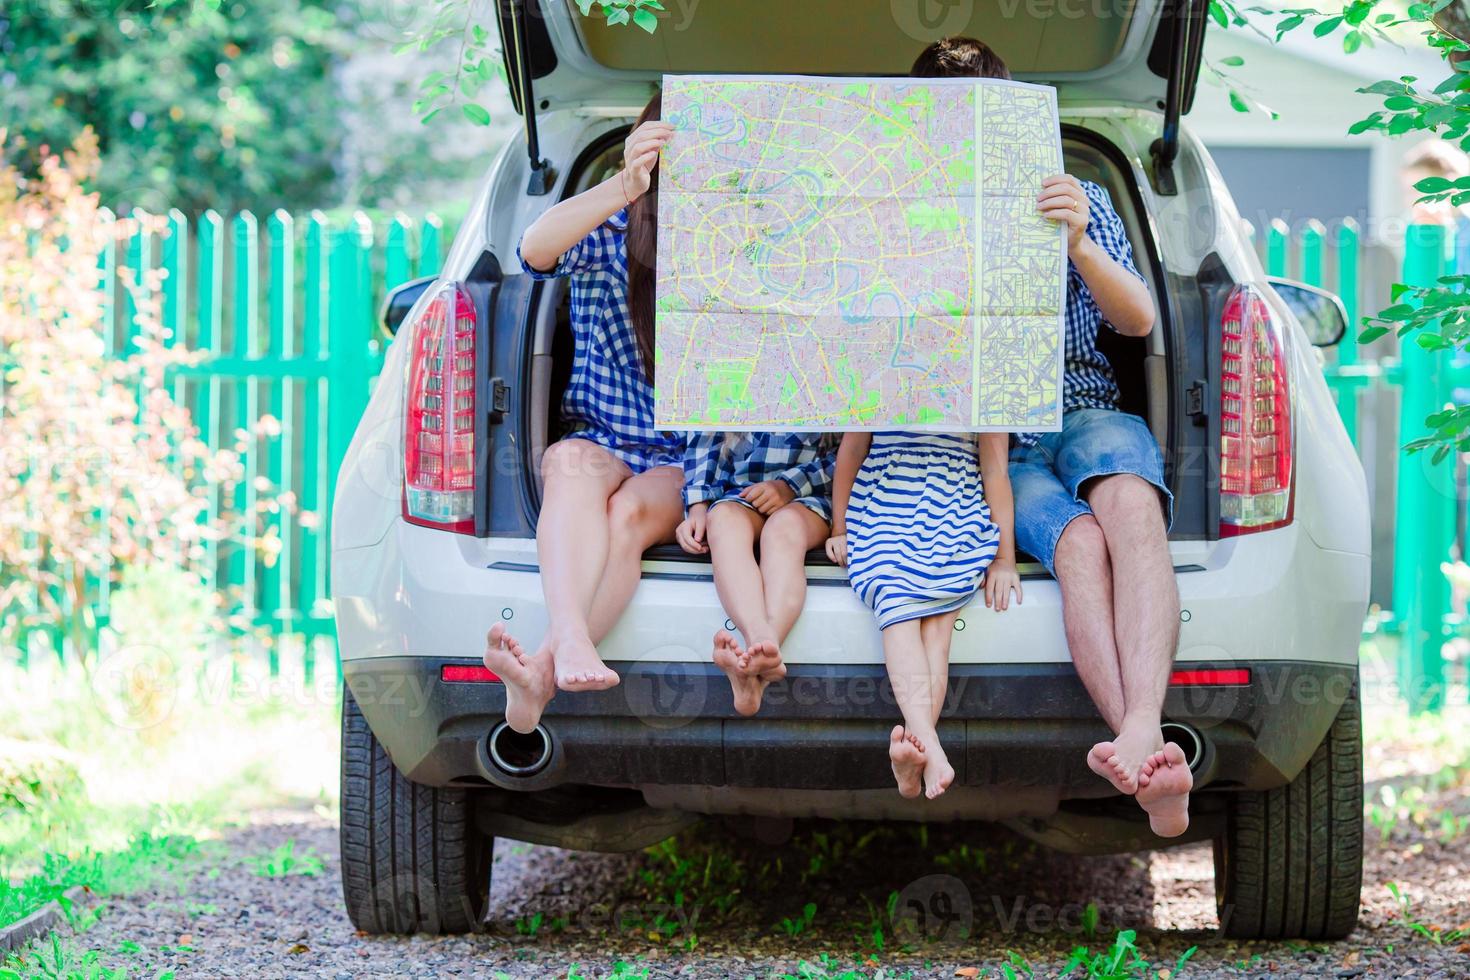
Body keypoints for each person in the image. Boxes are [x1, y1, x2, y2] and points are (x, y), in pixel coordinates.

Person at [912, 37, 1193, 836]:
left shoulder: (1071, 194)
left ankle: (1139, 733)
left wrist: (1076, 243)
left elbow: (1137, 319)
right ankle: (1145, 748)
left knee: (1133, 508)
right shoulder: (900, 211)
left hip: (1084, 402)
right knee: (1076, 548)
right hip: (995, 434)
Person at [484, 95, 683, 734]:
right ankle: (569, 641)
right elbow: (534, 250)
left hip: (687, 458)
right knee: (565, 460)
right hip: (605, 435)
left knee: (627, 515)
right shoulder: (614, 230)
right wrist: (625, 185)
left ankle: (540, 677)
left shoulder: (746, 252)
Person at [827, 431, 1020, 800]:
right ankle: (927, 745)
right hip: (885, 499)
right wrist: (840, 526)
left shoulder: (983, 375)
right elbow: (851, 450)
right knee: (894, 597)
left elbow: (995, 470)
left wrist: (1004, 557)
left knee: (937, 627)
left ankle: (917, 753)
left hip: (955, 503)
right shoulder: (876, 374)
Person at [674, 432, 835, 715]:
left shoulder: (834, 390)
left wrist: (788, 487)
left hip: (810, 497)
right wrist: (697, 506)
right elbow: (704, 439)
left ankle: (759, 653)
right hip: (741, 492)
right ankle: (760, 639)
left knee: (783, 531)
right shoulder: (727, 387)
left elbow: (850, 455)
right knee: (721, 519)